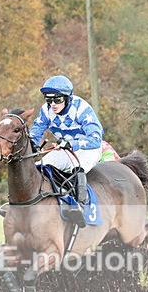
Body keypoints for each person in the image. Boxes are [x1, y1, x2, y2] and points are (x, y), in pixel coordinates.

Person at [29, 75, 103, 226]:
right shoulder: (46, 110)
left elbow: (96, 138)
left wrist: (72, 143)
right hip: (64, 149)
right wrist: (31, 145)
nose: (53, 105)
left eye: (57, 100)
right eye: (49, 100)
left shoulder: (82, 109)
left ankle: (81, 206)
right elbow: (35, 133)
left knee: (77, 167)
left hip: (87, 148)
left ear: (68, 98)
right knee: (40, 167)